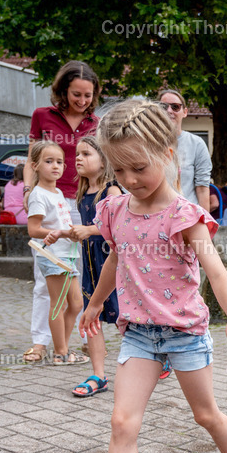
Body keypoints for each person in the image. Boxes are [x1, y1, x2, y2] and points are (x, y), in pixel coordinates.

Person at [63, 100, 227, 453]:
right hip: (139, 335)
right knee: (122, 422)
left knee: (206, 415)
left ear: (168, 153)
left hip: (185, 333)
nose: (129, 179)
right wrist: (92, 304)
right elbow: (114, 259)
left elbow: (217, 270)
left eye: (139, 167)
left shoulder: (185, 215)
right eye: (119, 169)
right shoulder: (114, 209)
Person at [22, 60, 100, 364]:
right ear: (63, 90)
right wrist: (29, 192)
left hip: (81, 203)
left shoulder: (96, 122)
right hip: (48, 200)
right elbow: (31, 159)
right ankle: (40, 342)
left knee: (80, 275)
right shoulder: (42, 116)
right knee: (46, 276)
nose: (82, 101)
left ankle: (73, 340)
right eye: (76, 94)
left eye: (88, 95)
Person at [70, 136, 123, 397]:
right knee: (93, 319)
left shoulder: (112, 191)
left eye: (86, 154)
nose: (78, 158)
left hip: (111, 264)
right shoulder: (82, 193)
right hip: (91, 265)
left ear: (103, 161)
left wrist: (88, 230)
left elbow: (116, 228)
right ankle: (99, 375)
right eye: (77, 154)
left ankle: (149, 361)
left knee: (124, 318)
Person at [25, 140, 87, 366]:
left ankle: (62, 345)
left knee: (77, 304)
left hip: (68, 255)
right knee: (58, 304)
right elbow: (33, 230)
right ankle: (61, 353)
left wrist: (70, 233)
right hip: (52, 257)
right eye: (49, 161)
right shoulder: (38, 194)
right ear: (35, 166)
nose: (56, 166)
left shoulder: (59, 192)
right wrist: (60, 233)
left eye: (59, 162)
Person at [158, 89, 212, 210]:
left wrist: (205, 223)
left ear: (185, 112)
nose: (169, 111)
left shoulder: (196, 144)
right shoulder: (148, 143)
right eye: (163, 107)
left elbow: (202, 188)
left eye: (175, 107)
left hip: (186, 217)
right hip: (155, 216)